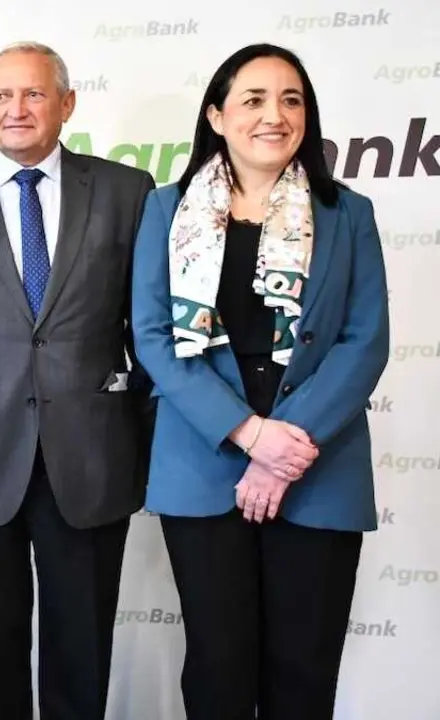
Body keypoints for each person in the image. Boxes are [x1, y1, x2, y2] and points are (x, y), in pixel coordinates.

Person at [131, 43, 389, 719]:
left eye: (291, 99)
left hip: (317, 470)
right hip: (204, 467)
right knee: (218, 671)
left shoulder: (347, 214)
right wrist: (247, 434)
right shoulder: (167, 211)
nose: (274, 115)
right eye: (253, 99)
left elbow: (365, 342)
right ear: (216, 115)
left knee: (304, 674)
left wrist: (286, 446)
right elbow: (154, 337)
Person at [0, 41, 156, 720]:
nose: (16, 109)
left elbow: (150, 332)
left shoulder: (125, 192)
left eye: (34, 94)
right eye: (0, 96)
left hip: (92, 457)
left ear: (66, 103)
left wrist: (142, 441)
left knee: (82, 651)